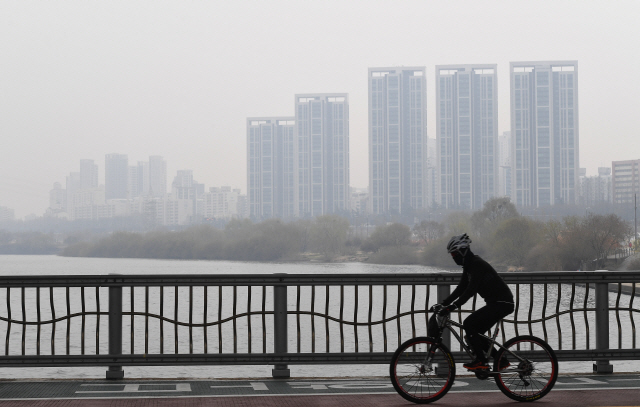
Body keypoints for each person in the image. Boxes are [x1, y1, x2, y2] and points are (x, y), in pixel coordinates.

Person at [436, 233, 514, 371]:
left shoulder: (477, 265)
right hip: (495, 303)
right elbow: (461, 288)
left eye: (455, 254)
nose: (454, 258)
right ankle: (501, 361)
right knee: (476, 334)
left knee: (468, 323)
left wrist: (453, 306)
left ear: (463, 251)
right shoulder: (469, 266)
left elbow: (470, 291)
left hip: (502, 303)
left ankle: (482, 362)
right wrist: (444, 303)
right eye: (452, 255)